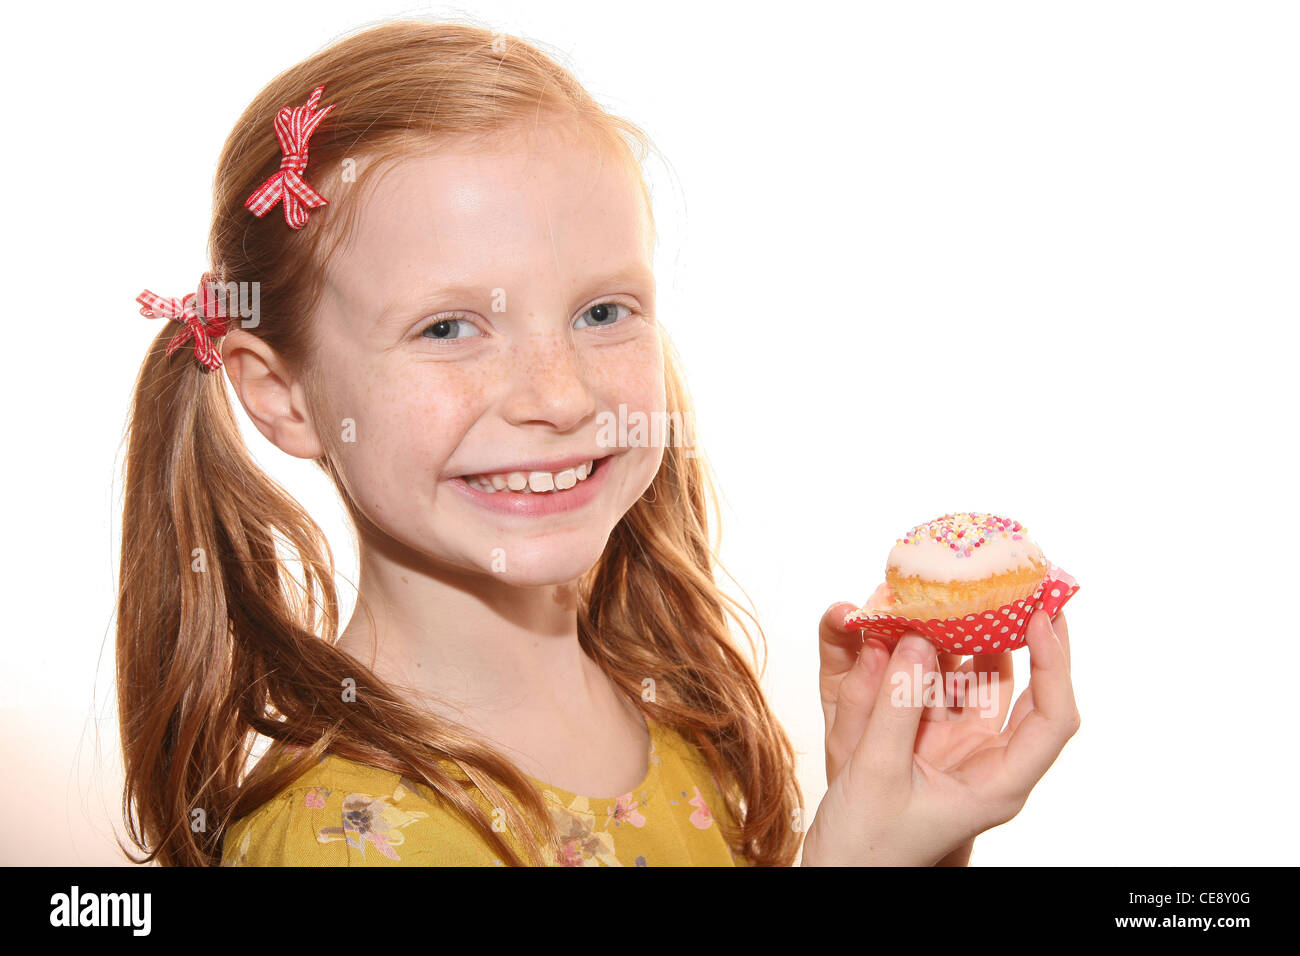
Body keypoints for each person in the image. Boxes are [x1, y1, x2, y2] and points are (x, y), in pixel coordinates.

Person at [117, 18, 1079, 867]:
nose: (560, 395)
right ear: (281, 394)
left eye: (603, 311)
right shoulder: (340, 841)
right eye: (449, 328)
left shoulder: (677, 702)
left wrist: (907, 831)